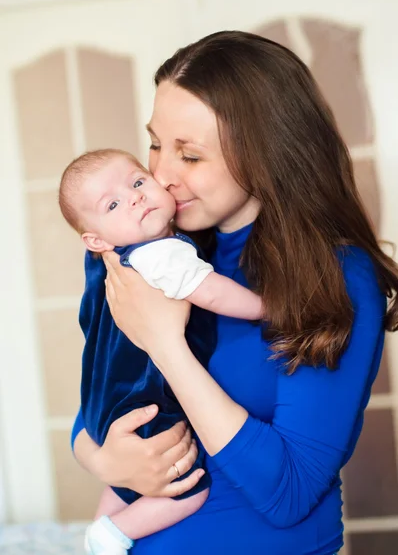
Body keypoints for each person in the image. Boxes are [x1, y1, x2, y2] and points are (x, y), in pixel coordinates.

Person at [71, 30, 398, 555]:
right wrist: (104, 460)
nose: (160, 175)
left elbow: (289, 493)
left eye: (191, 156)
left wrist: (167, 345)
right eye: (156, 144)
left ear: (266, 154)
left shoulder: (333, 276)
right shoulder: (162, 254)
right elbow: (100, 398)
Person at [59, 148, 263, 554]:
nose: (135, 197)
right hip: (148, 403)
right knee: (189, 491)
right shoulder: (161, 253)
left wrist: (103, 461)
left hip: (105, 410)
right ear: (95, 238)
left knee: (125, 483)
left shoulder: (106, 260)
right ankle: (113, 533)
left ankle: (102, 527)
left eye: (137, 182)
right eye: (113, 204)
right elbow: (214, 294)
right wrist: (268, 306)